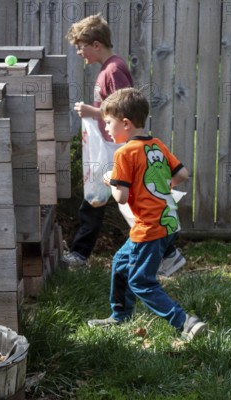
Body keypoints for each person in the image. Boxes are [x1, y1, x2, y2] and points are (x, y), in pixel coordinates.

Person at [64, 14, 186, 276]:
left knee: (121, 199)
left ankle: (167, 252)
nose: (78, 52)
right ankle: (82, 253)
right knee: (100, 197)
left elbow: (123, 110)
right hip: (112, 146)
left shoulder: (114, 69)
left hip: (118, 148)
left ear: (96, 44)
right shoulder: (108, 69)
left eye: (80, 46)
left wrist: (91, 111)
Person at [87, 88, 207, 341]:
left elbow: (120, 197)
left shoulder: (124, 153)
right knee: (121, 262)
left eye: (108, 122)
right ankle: (120, 315)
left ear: (126, 123)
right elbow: (182, 175)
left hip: (148, 228)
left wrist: (110, 181)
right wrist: (160, 188)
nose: (106, 128)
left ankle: (185, 322)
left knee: (141, 281)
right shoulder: (157, 145)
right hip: (168, 221)